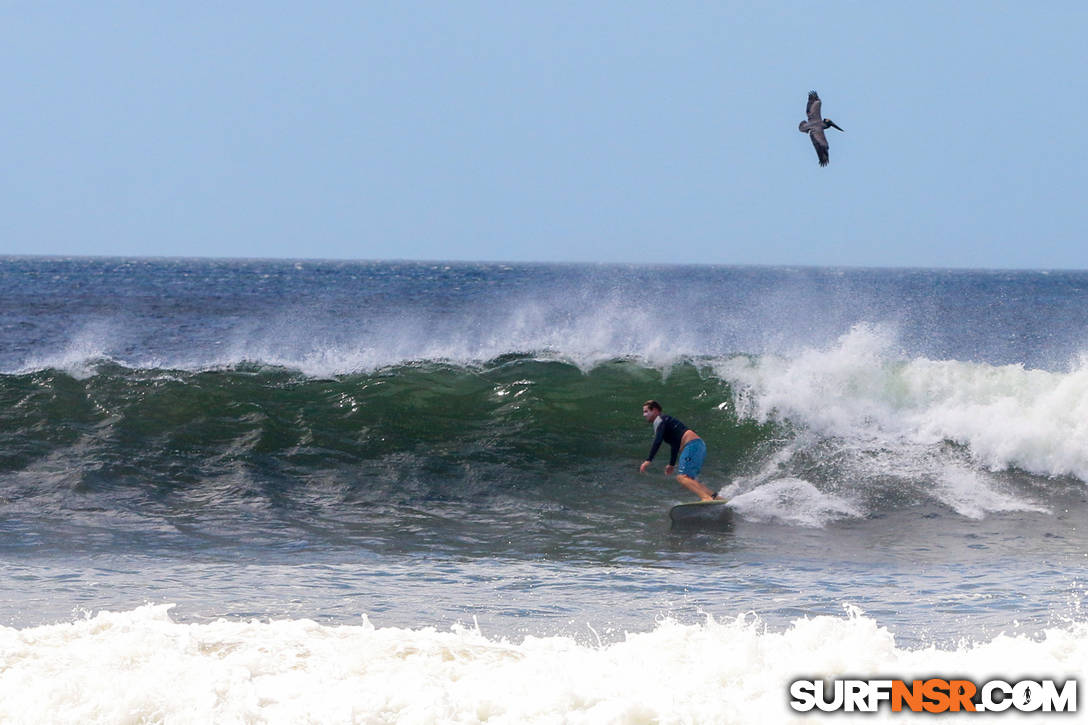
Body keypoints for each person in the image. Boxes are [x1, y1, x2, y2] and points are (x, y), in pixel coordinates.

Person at [639, 400, 720, 501]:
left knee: (682, 478)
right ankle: (716, 497)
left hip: (692, 445)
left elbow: (658, 441)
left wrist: (648, 460)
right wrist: (672, 464)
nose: (644, 415)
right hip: (697, 445)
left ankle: (706, 498)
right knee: (688, 480)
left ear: (655, 410)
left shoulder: (660, 420)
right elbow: (674, 444)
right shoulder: (664, 422)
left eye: (646, 411)